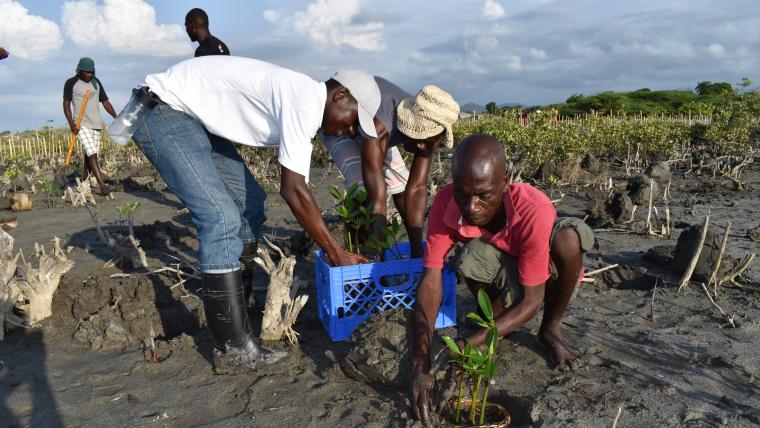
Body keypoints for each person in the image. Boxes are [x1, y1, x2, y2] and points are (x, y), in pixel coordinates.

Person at [130, 56, 380, 371]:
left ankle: (241, 312)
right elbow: (293, 190)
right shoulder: (305, 101)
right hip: (163, 111)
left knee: (252, 206)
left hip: (194, 119)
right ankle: (232, 348)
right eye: (354, 120)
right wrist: (336, 252)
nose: (349, 129)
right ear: (340, 96)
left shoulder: (304, 99)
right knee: (220, 217)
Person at [409, 135, 595, 420]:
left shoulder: (534, 208)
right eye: (463, 194)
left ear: (505, 182)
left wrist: (463, 345)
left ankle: (550, 330)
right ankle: (492, 326)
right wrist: (420, 362)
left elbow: (533, 300)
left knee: (568, 240)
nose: (472, 207)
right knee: (469, 256)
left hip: (545, 277)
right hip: (503, 268)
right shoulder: (447, 201)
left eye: (484, 195)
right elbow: (431, 279)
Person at [323, 79, 460, 258]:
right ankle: (361, 253)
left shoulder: (429, 125)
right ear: (408, 128)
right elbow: (377, 196)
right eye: (419, 140)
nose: (421, 147)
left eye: (427, 142)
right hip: (340, 124)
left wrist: (419, 254)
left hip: (379, 132)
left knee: (401, 185)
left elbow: (416, 187)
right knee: (362, 190)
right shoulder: (381, 127)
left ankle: (409, 250)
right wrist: (380, 263)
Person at [63, 57, 117, 195]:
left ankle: (85, 181)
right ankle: (102, 186)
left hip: (97, 124)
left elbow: (105, 102)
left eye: (92, 72)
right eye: (87, 72)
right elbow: (66, 104)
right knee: (92, 153)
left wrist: (116, 117)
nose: (90, 75)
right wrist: (72, 124)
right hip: (81, 124)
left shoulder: (96, 82)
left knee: (91, 154)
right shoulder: (71, 83)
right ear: (80, 71)